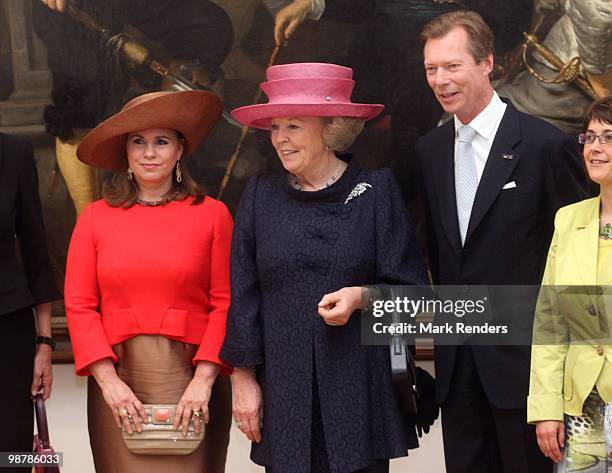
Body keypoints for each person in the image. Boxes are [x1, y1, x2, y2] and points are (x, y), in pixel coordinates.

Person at [220, 62, 428, 473]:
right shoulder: (260, 196)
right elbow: (243, 296)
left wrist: (362, 297)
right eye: (276, 127)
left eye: (293, 126)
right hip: (283, 389)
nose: (279, 138)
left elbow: (415, 297)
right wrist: (242, 379)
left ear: (331, 128)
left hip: (359, 386)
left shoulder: (375, 191)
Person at [415, 10, 590, 473]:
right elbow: (441, 255)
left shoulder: (544, 146)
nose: (440, 79)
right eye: (431, 68)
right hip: (457, 370)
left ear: (487, 63)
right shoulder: (429, 152)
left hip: (528, 372)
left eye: (452, 66)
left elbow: (578, 258)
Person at [64, 90, 233, 473]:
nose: (149, 153)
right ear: (125, 152)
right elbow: (79, 305)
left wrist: (204, 381)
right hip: (118, 382)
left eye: (161, 141)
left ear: (179, 150)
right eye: (138, 142)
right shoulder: (95, 218)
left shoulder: (213, 215)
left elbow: (226, 302)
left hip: (192, 379)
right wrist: (109, 383)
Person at [529, 96, 612, 472]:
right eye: (590, 137)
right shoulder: (569, 219)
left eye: (608, 137)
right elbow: (550, 322)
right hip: (581, 408)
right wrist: (546, 409)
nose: (595, 148)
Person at [0, 133, 62, 472]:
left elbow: (36, 252)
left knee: (11, 460)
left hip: (8, 334)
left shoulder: (14, 152)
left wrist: (44, 344)